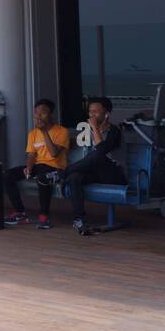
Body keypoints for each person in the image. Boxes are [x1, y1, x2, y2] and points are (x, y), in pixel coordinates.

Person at [63, 96, 127, 234]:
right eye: (90, 111)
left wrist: (95, 129)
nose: (92, 115)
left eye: (96, 112)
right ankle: (79, 220)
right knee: (75, 177)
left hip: (115, 176)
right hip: (97, 173)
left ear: (106, 114)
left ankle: (62, 174)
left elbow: (101, 151)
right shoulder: (89, 132)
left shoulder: (114, 132)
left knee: (97, 155)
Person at [4, 98, 70, 229]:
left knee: (42, 177)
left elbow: (54, 154)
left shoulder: (62, 131)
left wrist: (44, 131)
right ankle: (20, 212)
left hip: (56, 168)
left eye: (43, 112)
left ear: (51, 114)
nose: (39, 116)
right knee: (7, 175)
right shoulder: (33, 133)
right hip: (38, 166)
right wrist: (28, 167)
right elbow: (31, 154)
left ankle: (44, 217)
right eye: (36, 113)